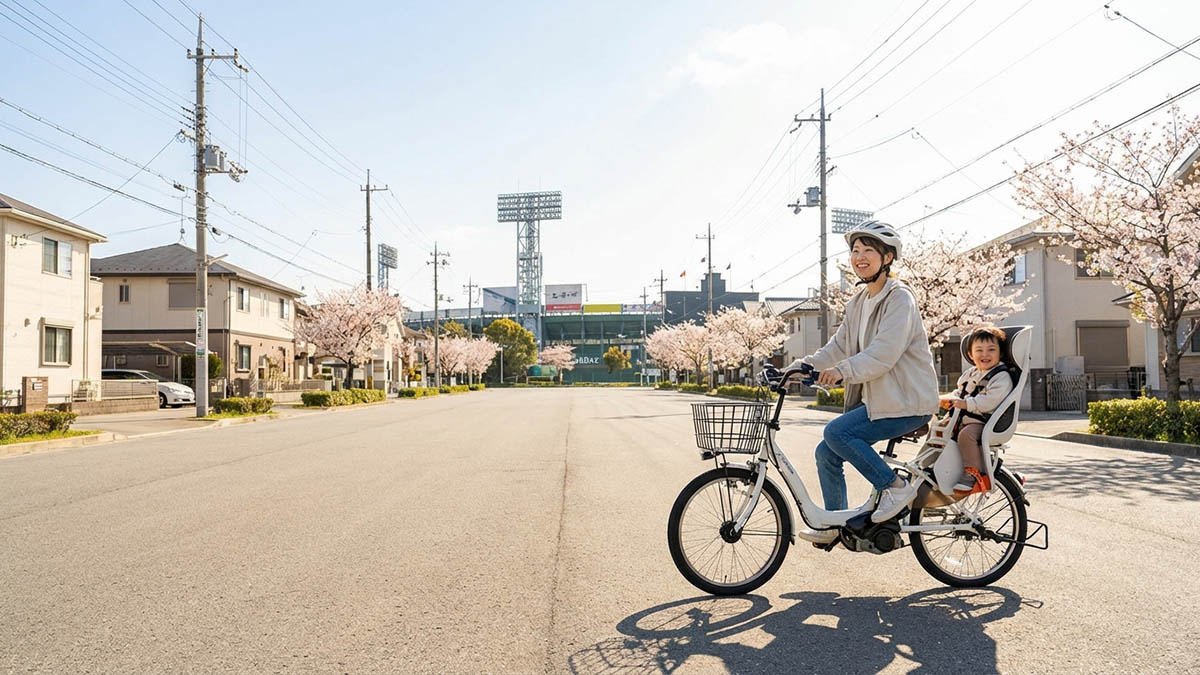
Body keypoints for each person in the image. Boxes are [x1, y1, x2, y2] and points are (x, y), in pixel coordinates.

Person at [786, 221, 940, 542]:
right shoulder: (858, 302)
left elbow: (884, 353)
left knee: (836, 432)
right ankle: (835, 526)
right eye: (855, 251)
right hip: (883, 402)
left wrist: (843, 371)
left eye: (869, 250)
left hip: (908, 402)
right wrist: (800, 367)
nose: (860, 257)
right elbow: (838, 347)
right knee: (826, 452)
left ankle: (895, 489)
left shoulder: (900, 299)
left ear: (887, 258)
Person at [939, 326, 1014, 497]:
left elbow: (989, 401)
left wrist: (965, 404)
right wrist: (948, 399)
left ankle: (973, 473)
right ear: (971, 355)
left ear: (1000, 353)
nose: (985, 354)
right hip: (964, 418)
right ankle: (936, 469)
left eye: (991, 350)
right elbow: (960, 392)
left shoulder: (1001, 376)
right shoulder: (971, 373)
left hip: (984, 422)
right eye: (979, 350)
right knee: (939, 430)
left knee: (967, 436)